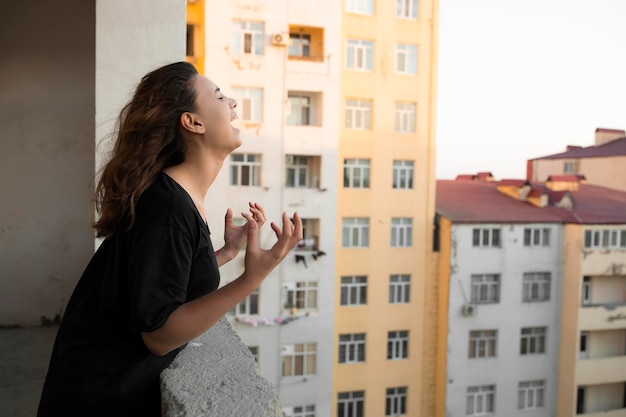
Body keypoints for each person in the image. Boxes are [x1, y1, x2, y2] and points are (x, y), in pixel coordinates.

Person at [37, 61, 303, 416]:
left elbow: (158, 273)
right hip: (99, 400)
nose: (234, 103)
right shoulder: (167, 209)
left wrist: (222, 254)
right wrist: (252, 278)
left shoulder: (171, 198)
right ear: (193, 122)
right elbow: (159, 335)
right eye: (220, 96)